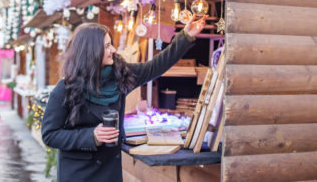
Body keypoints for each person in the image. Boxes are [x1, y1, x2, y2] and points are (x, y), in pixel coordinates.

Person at [41, 14, 208, 182]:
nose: (113, 50)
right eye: (106, 46)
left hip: (109, 173)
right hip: (78, 173)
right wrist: (91, 136)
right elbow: (50, 134)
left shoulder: (121, 75)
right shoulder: (65, 88)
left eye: (111, 44)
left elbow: (156, 65)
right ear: (91, 52)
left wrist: (186, 36)